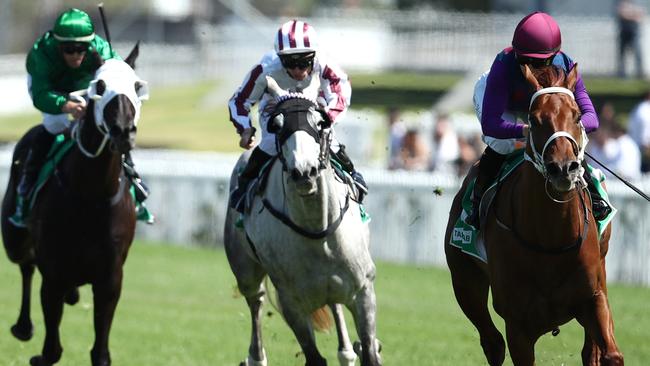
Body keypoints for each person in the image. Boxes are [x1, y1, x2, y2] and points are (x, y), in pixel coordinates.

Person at [468, 11, 611, 229]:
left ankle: (593, 193)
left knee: (568, 143)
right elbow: (491, 124)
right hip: (501, 102)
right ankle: (477, 203)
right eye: (524, 60)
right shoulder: (504, 67)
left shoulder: (566, 67)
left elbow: (592, 119)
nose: (531, 67)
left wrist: (567, 132)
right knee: (503, 144)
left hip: (539, 109)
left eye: (538, 62)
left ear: (553, 57)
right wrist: (526, 130)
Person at [9, 8, 150, 227]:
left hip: (88, 90)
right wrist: (66, 105)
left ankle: (134, 186)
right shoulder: (41, 54)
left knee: (113, 132)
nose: (76, 55)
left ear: (90, 44)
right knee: (53, 126)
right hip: (53, 92)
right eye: (69, 49)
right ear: (57, 45)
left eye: (81, 48)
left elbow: (120, 82)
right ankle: (27, 186)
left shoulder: (103, 50)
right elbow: (40, 95)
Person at [228, 19, 367, 212]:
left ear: (314, 56)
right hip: (277, 121)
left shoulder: (325, 65)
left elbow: (341, 94)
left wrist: (326, 116)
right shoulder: (265, 69)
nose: (297, 69)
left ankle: (352, 178)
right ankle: (244, 189)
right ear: (279, 58)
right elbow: (239, 101)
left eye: (303, 61)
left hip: (314, 118)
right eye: (289, 62)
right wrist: (245, 128)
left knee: (332, 145)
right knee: (268, 146)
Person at [616, 0, 645, 79]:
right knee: (622, 55)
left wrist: (629, 14)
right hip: (624, 32)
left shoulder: (636, 4)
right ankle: (622, 73)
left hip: (634, 33)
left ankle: (639, 73)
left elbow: (640, 15)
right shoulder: (621, 3)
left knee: (638, 54)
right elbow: (622, 14)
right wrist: (633, 15)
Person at [627, 90, 650, 172]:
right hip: (642, 148)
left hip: (633, 146)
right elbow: (644, 135)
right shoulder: (645, 111)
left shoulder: (638, 108)